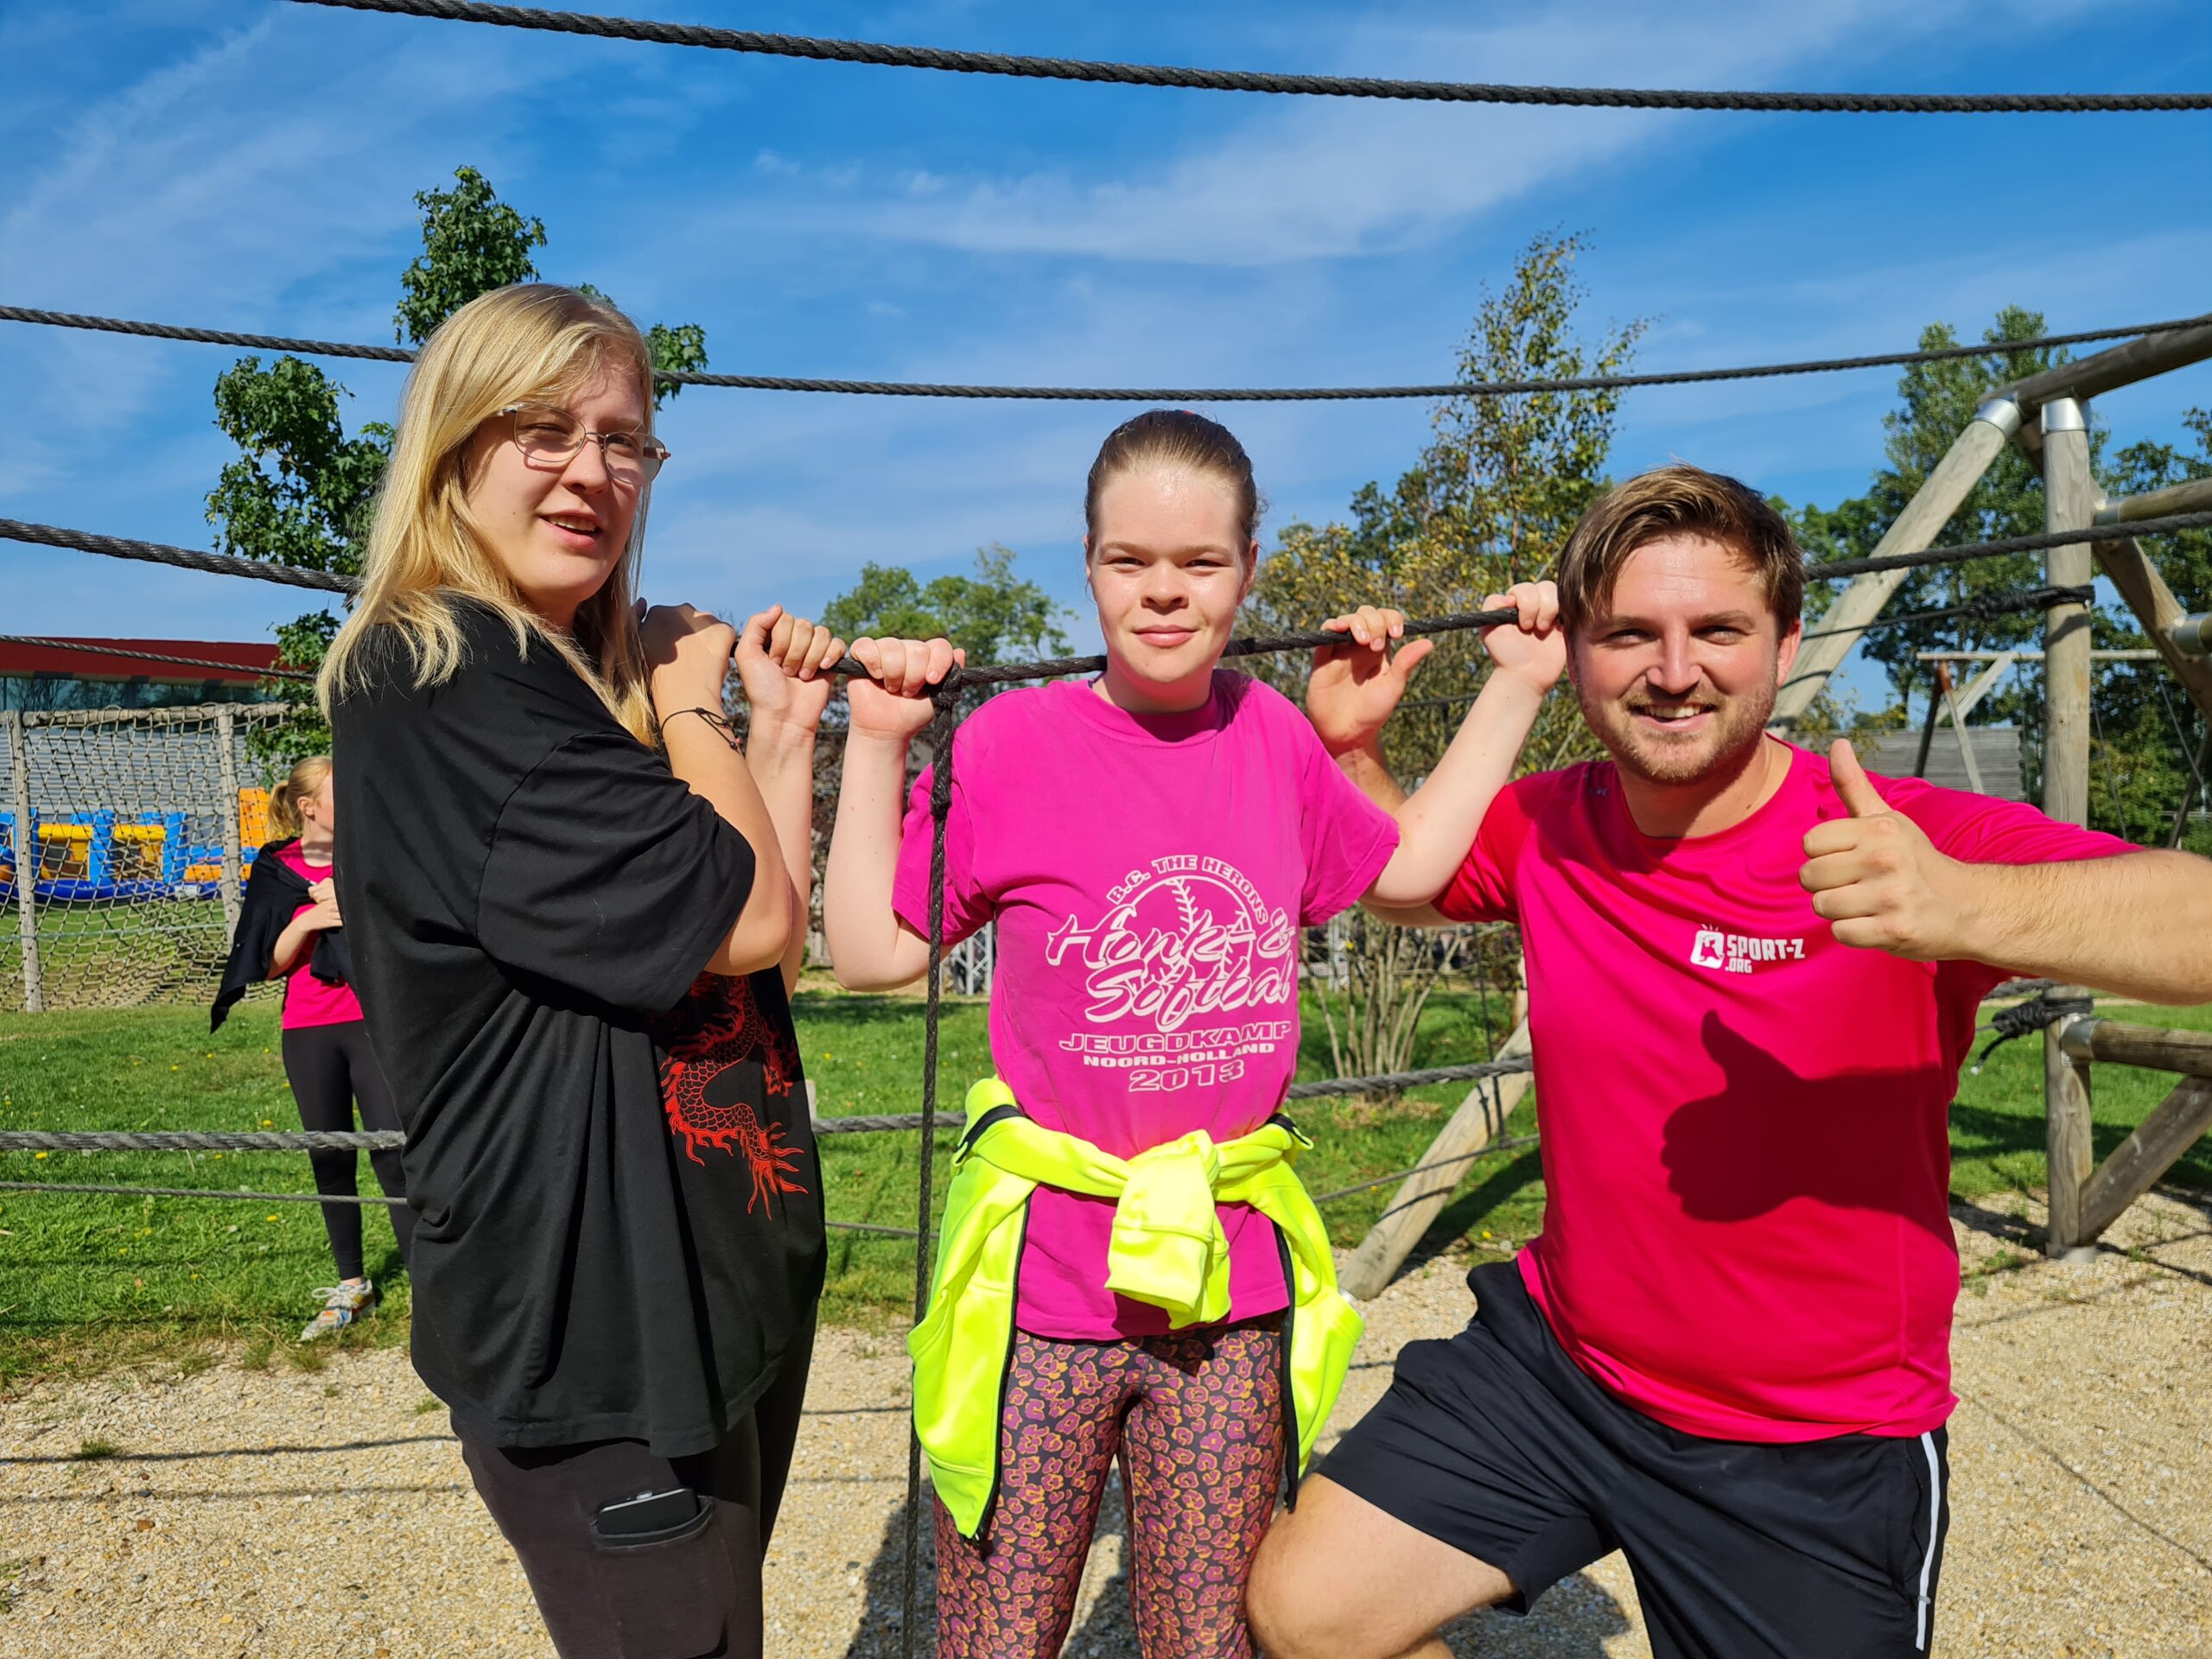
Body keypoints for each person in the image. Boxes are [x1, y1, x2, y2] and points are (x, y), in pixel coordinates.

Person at [1249, 462, 2212, 1659]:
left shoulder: (1887, 838)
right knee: (1302, 1615)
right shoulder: (1554, 819)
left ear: (1787, 640)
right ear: (1582, 652)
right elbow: (1408, 882)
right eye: (1629, 634)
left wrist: (1967, 906)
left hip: (1813, 1442)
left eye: (1717, 630)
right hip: (1565, 1367)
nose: (1672, 670)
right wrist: (1352, 747)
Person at [821, 408, 1551, 1658]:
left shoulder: (1274, 734)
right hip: (1045, 1281)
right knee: (997, 1630)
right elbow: (878, 953)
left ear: (1249, 571)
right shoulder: (1012, 740)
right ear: (1090, 563)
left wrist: (1518, 681)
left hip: (1230, 1282)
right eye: (1131, 561)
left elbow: (1416, 860)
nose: (1165, 592)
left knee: (1206, 1635)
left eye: (1202, 565)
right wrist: (881, 747)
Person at [320, 283, 839, 1659]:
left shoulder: (553, 676)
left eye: (627, 439)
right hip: (599, 1340)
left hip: (693, 1307)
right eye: (543, 429)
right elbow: (745, 918)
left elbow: (766, 919)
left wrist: (769, 730)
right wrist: (685, 695)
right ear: (452, 445)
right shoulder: (448, 676)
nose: (593, 472)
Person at [212, 754, 412, 1339]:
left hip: (371, 1021)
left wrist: (351, 906)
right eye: (338, 794)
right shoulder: (275, 869)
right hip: (308, 1028)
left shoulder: (368, 857)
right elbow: (266, 964)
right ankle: (353, 1286)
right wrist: (309, 920)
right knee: (330, 1155)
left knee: (394, 1152)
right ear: (308, 809)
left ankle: (432, 1281)